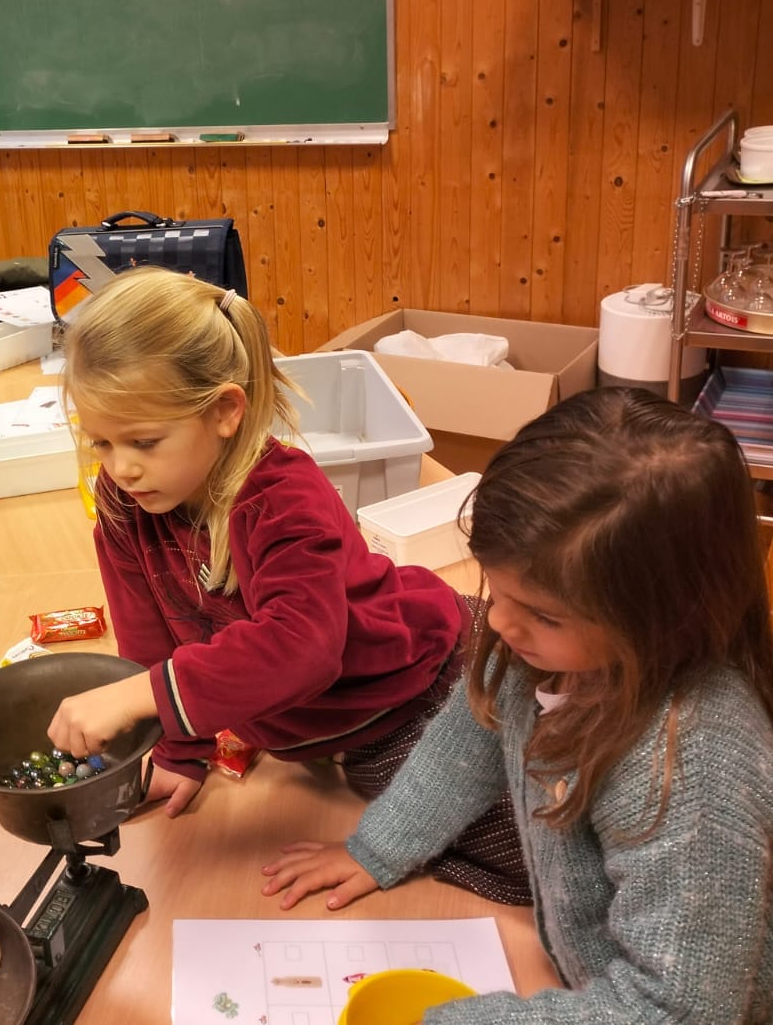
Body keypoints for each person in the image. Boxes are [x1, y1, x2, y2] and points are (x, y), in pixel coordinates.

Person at [260, 387, 773, 1022]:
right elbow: (467, 742)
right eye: (495, 590)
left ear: (665, 616)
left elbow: (678, 1009)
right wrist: (380, 848)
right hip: (591, 979)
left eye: (541, 614)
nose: (498, 621)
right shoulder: (551, 653)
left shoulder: (693, 770)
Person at [46, 267, 530, 904]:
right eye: (102, 443)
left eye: (144, 441)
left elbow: (301, 646)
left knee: (530, 850)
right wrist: (177, 751)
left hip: (411, 692)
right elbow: (149, 637)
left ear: (225, 411)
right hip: (322, 719)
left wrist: (145, 695)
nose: (122, 468)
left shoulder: (283, 496)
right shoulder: (125, 503)